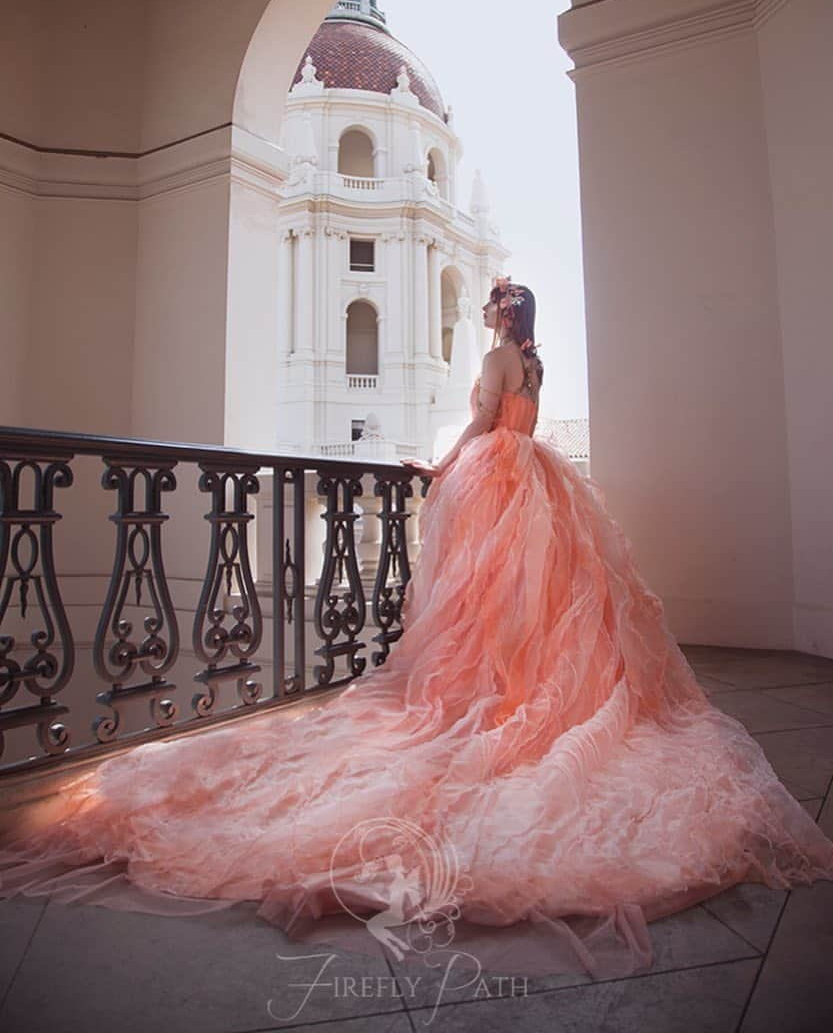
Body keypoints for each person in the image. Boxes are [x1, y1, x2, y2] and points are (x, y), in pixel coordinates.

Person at [2, 277, 833, 983]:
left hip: (489, 474)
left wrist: (436, 468)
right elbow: (518, 421)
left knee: (474, 595)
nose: (484, 314)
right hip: (531, 476)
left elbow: (479, 424)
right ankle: (513, 684)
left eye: (491, 306)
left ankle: (482, 689)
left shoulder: (494, 359)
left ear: (501, 318)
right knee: (525, 598)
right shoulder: (535, 362)